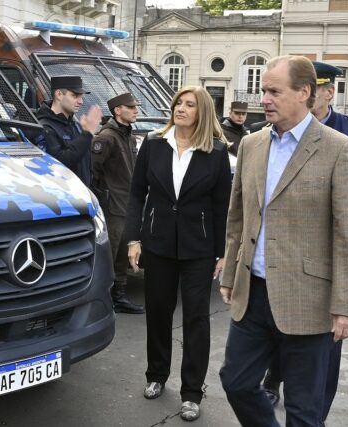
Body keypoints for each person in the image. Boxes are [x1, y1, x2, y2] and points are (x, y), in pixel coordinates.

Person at [218, 56, 348, 427]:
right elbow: (238, 217)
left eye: (274, 91)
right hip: (253, 293)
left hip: (309, 300)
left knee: (304, 408)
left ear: (304, 93)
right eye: (263, 90)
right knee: (236, 381)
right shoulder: (252, 145)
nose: (264, 98)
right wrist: (228, 274)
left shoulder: (341, 149)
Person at [259, 60, 348, 419]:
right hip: (284, 257)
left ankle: (315, 412)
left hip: (332, 256)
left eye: (315, 89)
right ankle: (273, 379)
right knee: (277, 322)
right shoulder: (274, 132)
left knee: (323, 347)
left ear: (326, 92)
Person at [124, 85, 232, 422]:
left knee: (196, 318)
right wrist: (133, 239)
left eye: (189, 105)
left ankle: (191, 392)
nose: (181, 109)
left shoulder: (216, 152)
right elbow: (136, 193)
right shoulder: (154, 145)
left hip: (198, 248)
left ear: (202, 113)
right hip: (156, 244)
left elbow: (221, 206)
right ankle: (156, 375)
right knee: (157, 311)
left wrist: (222, 252)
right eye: (178, 103)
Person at [91, 92, 145, 314]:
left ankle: (119, 297)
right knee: (110, 254)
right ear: (118, 110)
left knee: (123, 252)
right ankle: (104, 299)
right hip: (112, 205)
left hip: (127, 204)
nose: (135, 110)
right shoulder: (106, 137)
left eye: (135, 107)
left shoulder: (129, 136)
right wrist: (103, 198)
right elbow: (93, 172)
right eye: (130, 107)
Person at [34, 76, 103, 185]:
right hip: (64, 197)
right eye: (75, 96)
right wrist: (87, 134)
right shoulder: (44, 127)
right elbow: (58, 164)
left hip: (83, 195)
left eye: (81, 97)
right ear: (59, 94)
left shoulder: (75, 125)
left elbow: (86, 165)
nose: (81, 101)